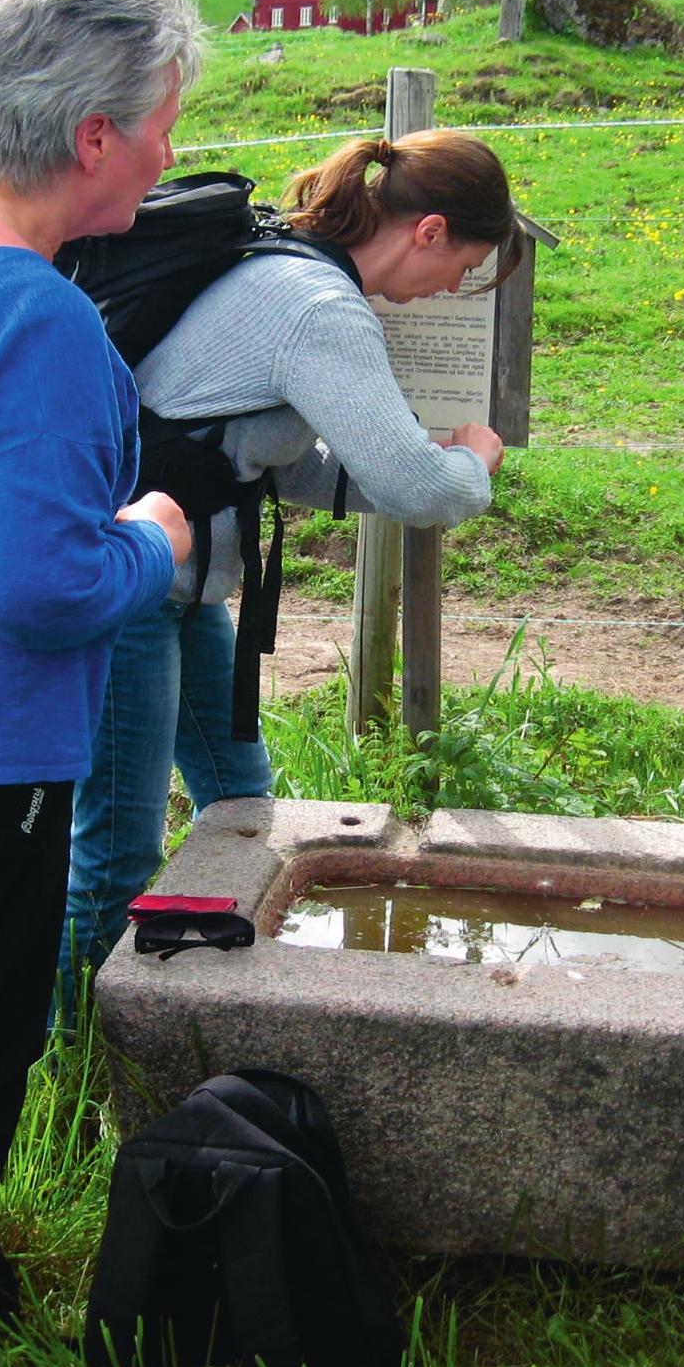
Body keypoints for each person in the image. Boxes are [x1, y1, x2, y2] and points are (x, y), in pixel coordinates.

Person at [0, 0, 205, 1318]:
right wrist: (157, 538)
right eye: (162, 125)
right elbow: (37, 588)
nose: (169, 155)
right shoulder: (48, 330)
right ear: (92, 137)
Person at [59, 128, 523, 1019]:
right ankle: (76, 1059)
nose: (452, 290)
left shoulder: (287, 269)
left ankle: (216, 1008)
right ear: (428, 232)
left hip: (184, 589)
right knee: (115, 851)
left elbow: (253, 458)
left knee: (238, 806)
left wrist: (394, 459)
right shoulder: (317, 303)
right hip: (133, 588)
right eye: (463, 267)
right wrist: (471, 465)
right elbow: (425, 488)